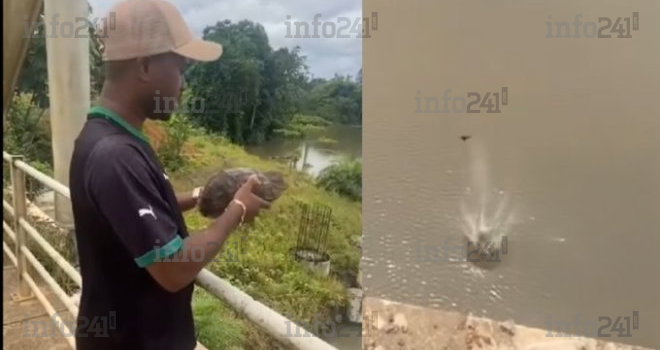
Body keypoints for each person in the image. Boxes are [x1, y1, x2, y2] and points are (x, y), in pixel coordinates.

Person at [68, 1, 271, 349]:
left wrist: (202, 197)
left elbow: (133, 216)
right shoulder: (115, 155)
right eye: (181, 68)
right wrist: (236, 211)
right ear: (145, 65)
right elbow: (174, 267)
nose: (184, 84)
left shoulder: (110, 137)